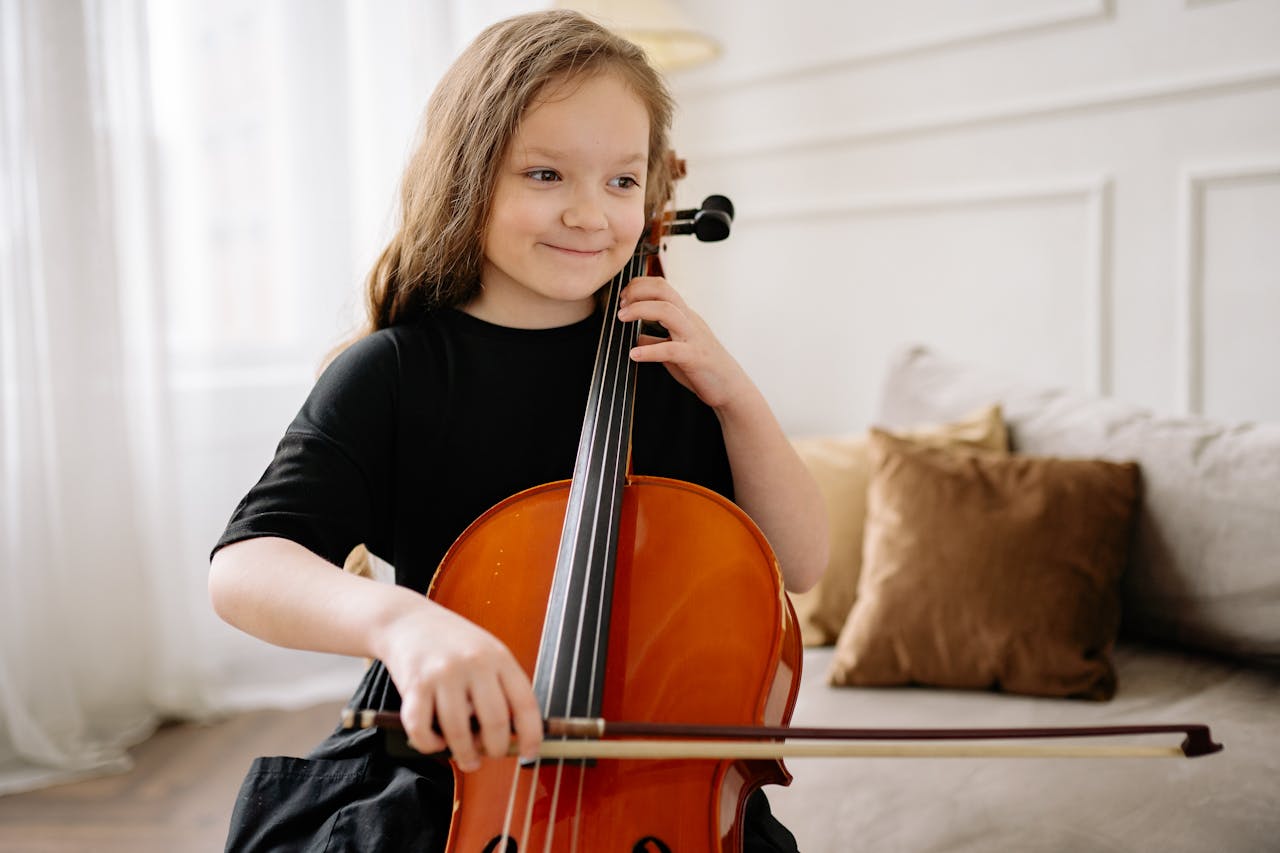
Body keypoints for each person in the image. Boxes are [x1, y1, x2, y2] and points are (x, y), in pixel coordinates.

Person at [208, 9, 828, 852]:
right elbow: (245, 566)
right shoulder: (398, 370)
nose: (590, 214)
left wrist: (737, 399)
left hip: (659, 796)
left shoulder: (666, 368)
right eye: (545, 174)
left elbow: (801, 561)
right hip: (447, 778)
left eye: (622, 181)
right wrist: (402, 622)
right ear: (468, 178)